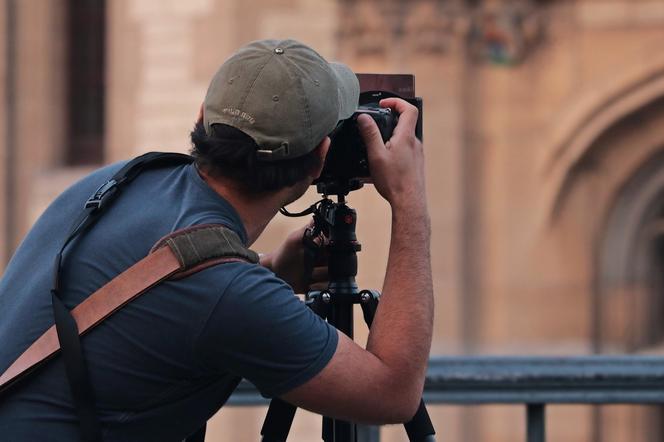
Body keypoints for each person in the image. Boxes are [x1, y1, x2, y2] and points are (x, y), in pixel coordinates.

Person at [0, 39, 432, 441]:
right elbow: (392, 393)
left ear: (203, 117)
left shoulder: (116, 181)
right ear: (320, 158)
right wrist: (409, 202)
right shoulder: (228, 294)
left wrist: (267, 270)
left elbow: (168, 297)